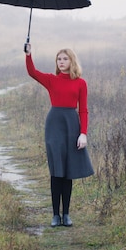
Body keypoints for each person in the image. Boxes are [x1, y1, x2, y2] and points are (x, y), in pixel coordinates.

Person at [25, 43, 94, 227]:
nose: (61, 62)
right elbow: (32, 72)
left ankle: (67, 215)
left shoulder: (81, 83)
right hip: (54, 126)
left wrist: (83, 134)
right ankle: (55, 215)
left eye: (65, 59)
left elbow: (84, 111)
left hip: (71, 125)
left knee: (68, 172)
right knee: (57, 171)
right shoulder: (51, 80)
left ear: (72, 61)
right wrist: (29, 54)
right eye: (59, 59)